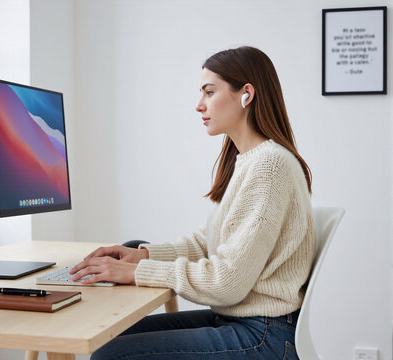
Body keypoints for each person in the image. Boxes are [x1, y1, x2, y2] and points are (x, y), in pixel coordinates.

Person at [70, 46, 316, 360]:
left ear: (246, 94)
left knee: (110, 356)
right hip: (244, 321)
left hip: (263, 335)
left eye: (209, 92)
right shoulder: (250, 161)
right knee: (104, 340)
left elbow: (227, 282)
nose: (199, 105)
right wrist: (141, 255)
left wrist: (137, 272)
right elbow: (208, 243)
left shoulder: (269, 166)